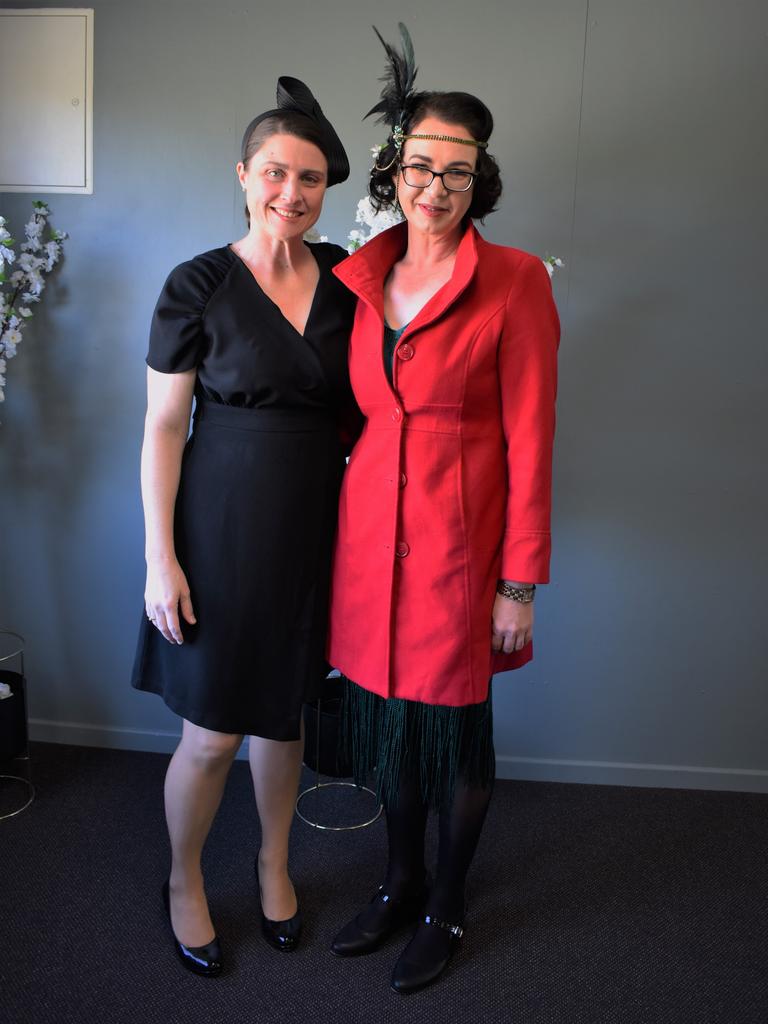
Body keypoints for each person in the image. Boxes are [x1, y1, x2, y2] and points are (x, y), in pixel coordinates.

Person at [327, 26, 560, 994]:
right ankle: (397, 881)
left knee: (455, 736)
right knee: (389, 735)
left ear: (478, 181)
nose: (436, 185)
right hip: (367, 545)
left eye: (457, 171)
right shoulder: (359, 276)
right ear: (394, 168)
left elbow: (534, 438)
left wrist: (520, 583)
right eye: (421, 164)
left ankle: (446, 903)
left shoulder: (514, 282)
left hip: (462, 554)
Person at [131, 77, 355, 976]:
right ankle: (183, 878)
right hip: (218, 527)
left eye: (308, 178)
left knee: (284, 715)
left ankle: (273, 863)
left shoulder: (345, 273)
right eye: (274, 172)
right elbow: (160, 426)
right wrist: (160, 559)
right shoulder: (198, 281)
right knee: (214, 730)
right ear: (243, 173)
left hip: (314, 523)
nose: (290, 193)